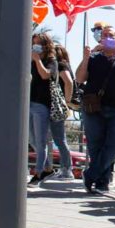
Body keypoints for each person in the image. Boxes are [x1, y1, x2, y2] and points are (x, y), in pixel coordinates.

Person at [75, 25, 115, 194]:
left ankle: (90, 174)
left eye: (110, 35)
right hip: (93, 107)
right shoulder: (94, 57)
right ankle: (101, 183)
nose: (106, 38)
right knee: (96, 146)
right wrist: (86, 58)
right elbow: (80, 78)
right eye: (103, 35)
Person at [28, 33, 58, 186]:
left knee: (40, 141)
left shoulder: (51, 61)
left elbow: (45, 75)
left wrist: (38, 60)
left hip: (42, 104)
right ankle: (47, 168)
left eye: (38, 43)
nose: (35, 46)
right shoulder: (31, 61)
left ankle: (38, 173)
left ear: (46, 45)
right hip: (29, 103)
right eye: (34, 43)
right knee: (31, 139)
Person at [49, 44, 75, 179]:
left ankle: (66, 169)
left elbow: (68, 82)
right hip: (59, 106)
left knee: (59, 139)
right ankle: (64, 168)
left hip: (57, 106)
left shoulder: (60, 65)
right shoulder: (66, 65)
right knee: (59, 138)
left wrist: (66, 101)